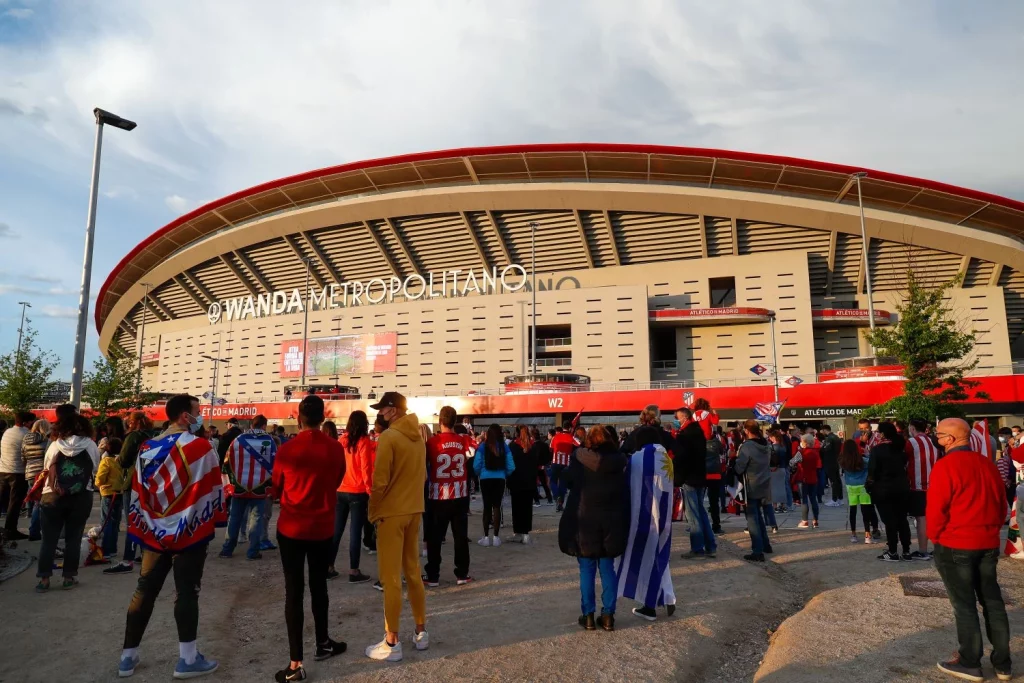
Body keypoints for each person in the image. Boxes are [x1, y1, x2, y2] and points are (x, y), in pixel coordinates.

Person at [119, 394, 222, 679]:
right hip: (189, 531)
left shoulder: (146, 447)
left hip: (153, 531)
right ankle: (187, 659)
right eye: (196, 412)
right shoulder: (201, 447)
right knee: (187, 592)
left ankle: (128, 657)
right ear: (184, 416)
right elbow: (213, 487)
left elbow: (140, 493)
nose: (200, 416)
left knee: (144, 589)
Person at [929, 417, 1012, 682]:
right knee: (992, 601)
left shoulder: (945, 466)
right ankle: (1003, 663)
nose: (937, 438)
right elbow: (1002, 504)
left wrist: (936, 537)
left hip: (956, 543)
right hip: (988, 542)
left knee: (964, 605)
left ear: (950, 439)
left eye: (939, 434)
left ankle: (970, 662)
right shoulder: (987, 464)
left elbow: (936, 510)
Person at [271, 395, 347, 682]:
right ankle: (323, 642)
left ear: (299, 417)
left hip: (291, 528)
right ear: (323, 416)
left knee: (294, 591)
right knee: (319, 588)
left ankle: (295, 663)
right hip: (322, 528)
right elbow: (337, 479)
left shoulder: (287, 449)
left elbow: (277, 487)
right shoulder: (335, 448)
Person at [365, 392, 429, 662]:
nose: (380, 414)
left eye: (382, 409)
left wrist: (373, 510)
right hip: (414, 509)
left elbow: (380, 481)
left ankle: (392, 641)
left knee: (391, 578)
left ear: (391, 410)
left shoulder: (389, 438)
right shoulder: (420, 436)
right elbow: (423, 475)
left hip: (392, 514)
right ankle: (421, 632)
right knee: (413, 573)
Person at [559, 425, 628, 631]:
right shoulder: (619, 461)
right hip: (611, 520)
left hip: (584, 519)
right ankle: (608, 616)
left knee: (586, 569)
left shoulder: (579, 458)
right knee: (608, 569)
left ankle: (588, 615)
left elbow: (569, 480)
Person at [35, 410, 101, 592]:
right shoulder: (91, 445)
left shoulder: (55, 445)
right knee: (74, 538)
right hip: (81, 496)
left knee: (49, 539)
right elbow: (94, 468)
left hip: (53, 495)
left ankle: (44, 579)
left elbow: (47, 467)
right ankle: (68, 577)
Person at [617, 426, 675, 622]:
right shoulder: (665, 458)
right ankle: (667, 595)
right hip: (663, 518)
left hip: (645, 517)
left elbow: (628, 483)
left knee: (646, 559)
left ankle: (650, 606)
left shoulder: (638, 459)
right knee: (660, 557)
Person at [423, 406, 474, 587]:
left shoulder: (432, 442)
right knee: (460, 536)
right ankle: (462, 573)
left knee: (435, 537)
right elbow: (472, 453)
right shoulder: (464, 440)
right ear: (456, 421)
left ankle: (433, 575)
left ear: (440, 421)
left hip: (439, 495)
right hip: (460, 494)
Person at [220, 414, 276, 561]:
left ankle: (227, 549)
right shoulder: (269, 441)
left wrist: (230, 483)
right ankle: (253, 552)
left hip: (239, 487)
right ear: (264, 425)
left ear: (252, 425)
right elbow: (275, 465)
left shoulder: (238, 440)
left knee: (234, 518)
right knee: (256, 519)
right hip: (260, 487)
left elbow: (227, 462)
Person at [103, 411, 151, 575]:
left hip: (133, 481)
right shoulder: (152, 435)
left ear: (132, 423)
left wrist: (118, 459)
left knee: (132, 521)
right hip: (149, 482)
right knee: (145, 520)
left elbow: (123, 460)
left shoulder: (133, 437)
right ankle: (146, 555)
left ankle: (127, 559)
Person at [329, 410, 375, 583]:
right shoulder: (364, 441)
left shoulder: (341, 440)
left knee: (336, 530)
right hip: (358, 491)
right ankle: (353, 571)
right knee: (355, 531)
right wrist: (370, 491)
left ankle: (329, 567)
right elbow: (366, 469)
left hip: (340, 489)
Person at [673, 407, 715, 558]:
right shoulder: (698, 433)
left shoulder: (684, 436)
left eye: (677, 418)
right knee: (701, 512)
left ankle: (697, 548)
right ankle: (711, 545)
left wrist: (678, 479)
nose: (676, 421)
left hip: (689, 478)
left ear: (684, 417)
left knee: (693, 515)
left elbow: (681, 459)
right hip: (700, 476)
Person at [868, 421, 913, 562]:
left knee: (890, 521)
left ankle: (893, 550)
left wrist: (869, 486)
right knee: (902, 519)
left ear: (881, 433)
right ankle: (906, 550)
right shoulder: (900, 448)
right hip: (902, 487)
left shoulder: (877, 450)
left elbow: (872, 472)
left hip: (884, 489)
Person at [736, 420, 773, 562]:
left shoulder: (747, 447)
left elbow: (740, 467)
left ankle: (757, 550)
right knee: (758, 515)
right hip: (764, 482)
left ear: (746, 430)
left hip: (750, 484)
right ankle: (765, 544)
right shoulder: (766, 445)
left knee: (752, 518)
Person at [474, 424, 515, 546]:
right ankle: (496, 537)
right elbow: (511, 466)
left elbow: (476, 464)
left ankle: (486, 537)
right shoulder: (504, 447)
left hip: (485, 479)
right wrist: (504, 474)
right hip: (500, 479)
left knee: (486, 507)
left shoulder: (483, 446)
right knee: (497, 506)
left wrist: (479, 474)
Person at [906, 418, 939, 560]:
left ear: (912, 428)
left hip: (917, 485)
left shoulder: (911, 442)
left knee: (921, 519)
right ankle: (938, 549)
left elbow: (905, 461)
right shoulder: (934, 441)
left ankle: (923, 550)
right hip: (935, 484)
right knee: (936, 518)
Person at [837, 438, 879, 543]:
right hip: (863, 486)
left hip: (850, 486)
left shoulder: (842, 461)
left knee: (853, 510)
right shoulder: (862, 460)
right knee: (865, 510)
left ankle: (853, 534)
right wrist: (867, 454)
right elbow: (871, 464)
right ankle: (867, 535)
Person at [0, 411, 34, 540]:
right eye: (31, 422)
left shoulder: (7, 432)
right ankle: (10, 530)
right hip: (18, 473)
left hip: (3, 470)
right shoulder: (26, 435)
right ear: (26, 422)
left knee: (2, 499)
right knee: (14, 503)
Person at [95, 436, 127, 559]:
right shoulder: (120, 461)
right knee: (115, 523)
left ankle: (106, 549)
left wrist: (97, 484)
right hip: (119, 493)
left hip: (108, 493)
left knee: (106, 522)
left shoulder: (106, 461)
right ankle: (113, 548)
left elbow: (100, 479)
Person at [507, 425, 537, 543]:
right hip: (529, 481)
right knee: (527, 508)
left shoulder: (513, 446)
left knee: (517, 507)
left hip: (516, 481)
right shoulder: (533, 446)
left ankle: (518, 532)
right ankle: (526, 533)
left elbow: (509, 464)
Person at [22, 418, 50, 541]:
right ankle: (34, 531)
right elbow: (48, 459)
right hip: (41, 474)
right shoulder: (46, 442)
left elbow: (23, 457)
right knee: (39, 504)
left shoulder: (25, 440)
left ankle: (34, 529)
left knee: (33, 500)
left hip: (29, 472)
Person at [794, 434, 821, 528]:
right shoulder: (815, 453)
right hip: (813, 477)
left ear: (804, 442)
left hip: (803, 477)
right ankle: (815, 520)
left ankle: (804, 520)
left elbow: (792, 462)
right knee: (813, 499)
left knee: (804, 500)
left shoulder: (801, 452)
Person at [549, 421, 576, 512]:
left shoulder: (555, 437)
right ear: (569, 428)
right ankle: (560, 503)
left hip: (555, 462)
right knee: (563, 484)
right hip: (566, 463)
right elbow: (579, 446)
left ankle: (557, 497)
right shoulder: (572, 438)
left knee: (552, 481)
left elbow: (551, 449)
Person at [819, 425, 843, 507]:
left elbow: (825, 449)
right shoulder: (836, 437)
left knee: (833, 481)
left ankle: (834, 499)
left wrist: (821, 448)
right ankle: (840, 498)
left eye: (822, 431)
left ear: (825, 430)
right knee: (837, 480)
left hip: (829, 461)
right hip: (835, 460)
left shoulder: (829, 438)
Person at [531, 428, 553, 505]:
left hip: (534, 467)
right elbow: (548, 456)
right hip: (543, 466)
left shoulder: (532, 446)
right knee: (544, 483)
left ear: (533, 437)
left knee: (533, 484)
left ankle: (537, 501)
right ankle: (550, 499)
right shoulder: (544, 445)